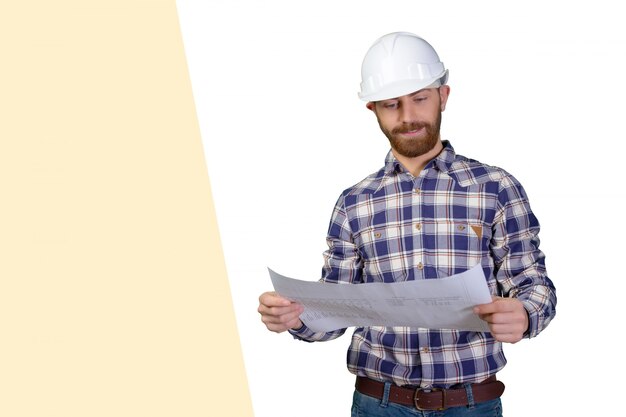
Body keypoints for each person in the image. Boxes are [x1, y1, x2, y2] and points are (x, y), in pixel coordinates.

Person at [258, 32, 556, 416]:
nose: (408, 116)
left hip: (471, 404)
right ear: (373, 110)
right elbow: (335, 311)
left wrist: (525, 313)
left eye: (419, 98)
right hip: (379, 403)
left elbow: (535, 287)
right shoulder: (354, 203)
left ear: (443, 96)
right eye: (391, 104)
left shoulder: (495, 188)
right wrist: (295, 315)